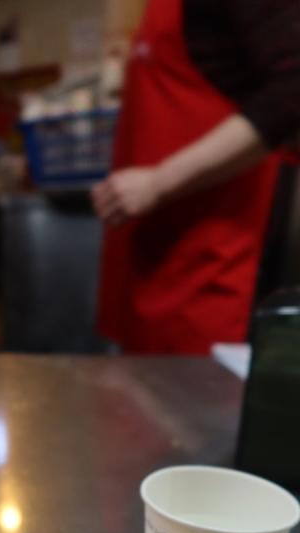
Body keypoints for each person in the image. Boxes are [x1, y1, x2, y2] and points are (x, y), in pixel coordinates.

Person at [93, 0, 300, 355]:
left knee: (205, 405)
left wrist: (158, 182)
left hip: (214, 268)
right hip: (157, 264)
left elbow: (292, 91)